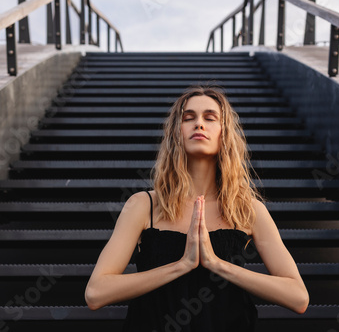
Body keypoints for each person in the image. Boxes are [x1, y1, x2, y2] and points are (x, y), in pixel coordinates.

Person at [85, 85, 309, 331]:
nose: (199, 124)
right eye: (188, 118)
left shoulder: (248, 209)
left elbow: (298, 297)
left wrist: (216, 263)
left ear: (225, 133)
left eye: (210, 118)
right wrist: (182, 265)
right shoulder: (143, 205)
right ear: (176, 133)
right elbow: (96, 293)